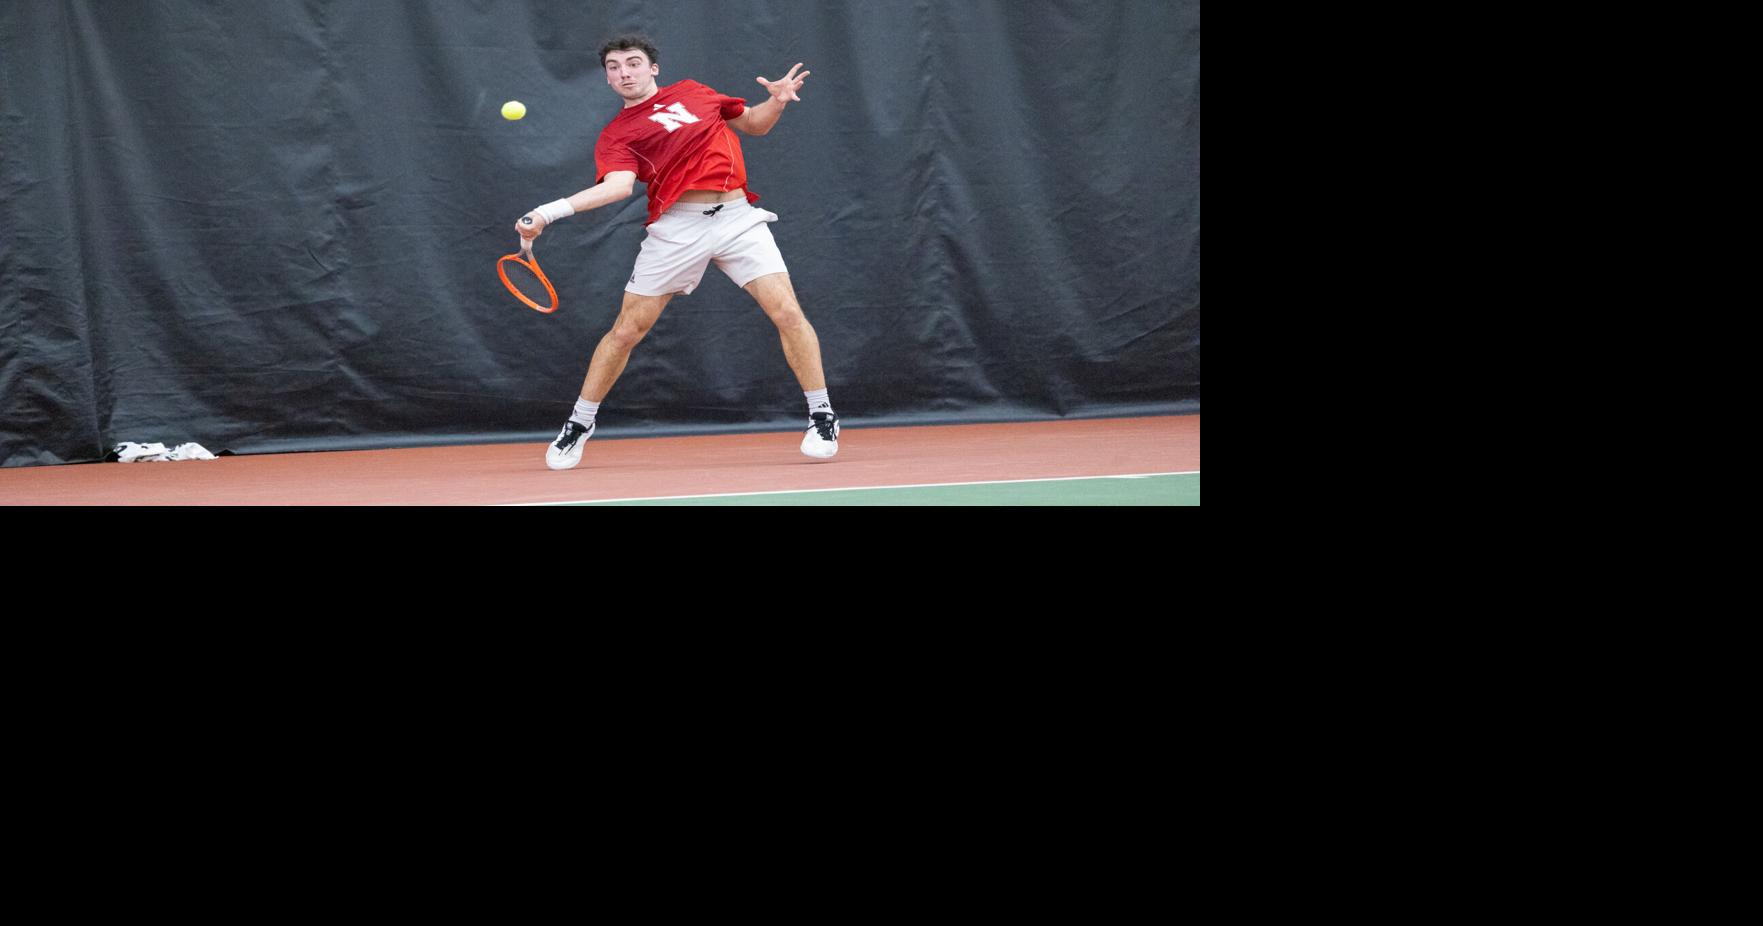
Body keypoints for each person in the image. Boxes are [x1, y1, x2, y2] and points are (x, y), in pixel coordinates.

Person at [517, 34, 839, 470]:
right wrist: (549, 212)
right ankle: (579, 423)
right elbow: (617, 188)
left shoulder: (695, 92)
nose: (624, 72)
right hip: (676, 228)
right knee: (627, 331)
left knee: (786, 312)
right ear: (608, 79)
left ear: (652, 68)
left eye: (632, 63)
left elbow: (754, 124)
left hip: (738, 217)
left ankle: (822, 416)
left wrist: (778, 101)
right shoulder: (617, 135)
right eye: (614, 67)